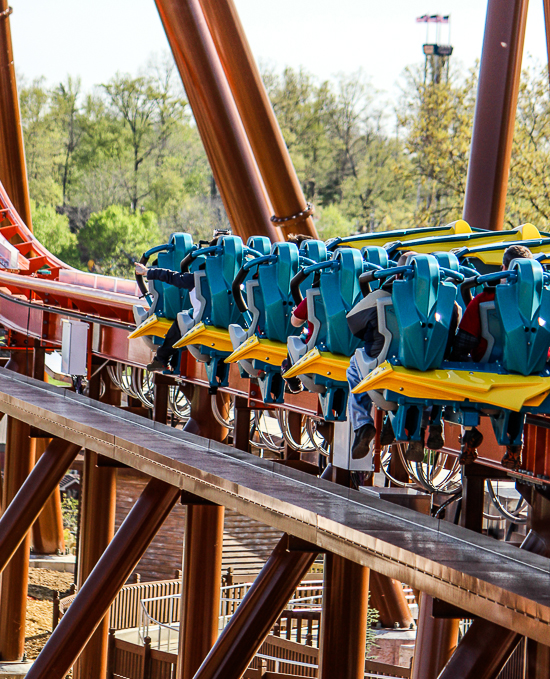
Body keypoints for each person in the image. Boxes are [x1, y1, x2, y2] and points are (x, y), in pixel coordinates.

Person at [451, 244, 533, 468]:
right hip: (523, 387)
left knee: (459, 369)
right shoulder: (541, 306)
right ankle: (514, 445)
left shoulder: (482, 301)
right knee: (522, 391)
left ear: (504, 267)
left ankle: (469, 434)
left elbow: (461, 347)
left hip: (483, 383)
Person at [135, 261, 195, 372]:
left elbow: (171, 276)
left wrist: (147, 272)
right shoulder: (234, 280)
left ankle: (162, 359)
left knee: (182, 318)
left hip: (201, 321)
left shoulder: (196, 279)